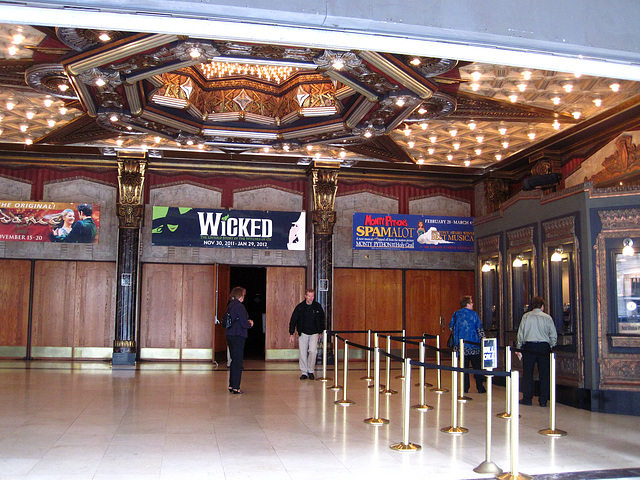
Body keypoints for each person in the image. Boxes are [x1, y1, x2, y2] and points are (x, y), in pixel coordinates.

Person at [516, 296, 557, 407]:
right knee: (544, 374)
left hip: (529, 347)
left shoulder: (526, 317)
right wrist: (551, 345)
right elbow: (553, 334)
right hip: (544, 347)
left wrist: (519, 346)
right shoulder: (547, 318)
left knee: (528, 374)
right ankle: (543, 400)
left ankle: (527, 398)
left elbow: (521, 333)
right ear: (542, 306)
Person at [449, 295, 486, 394]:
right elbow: (479, 329)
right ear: (468, 304)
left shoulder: (456, 314)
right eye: (471, 302)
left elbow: (451, 328)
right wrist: (484, 339)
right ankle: (480, 386)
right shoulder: (474, 315)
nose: (473, 304)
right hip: (474, 345)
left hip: (461, 346)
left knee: (464, 368)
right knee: (477, 367)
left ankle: (465, 388)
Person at [289, 288, 325, 380]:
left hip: (314, 333)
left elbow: (322, 319)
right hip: (303, 333)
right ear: (305, 296)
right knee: (303, 353)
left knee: (313, 351)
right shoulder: (300, 307)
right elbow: (293, 320)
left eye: (312, 296)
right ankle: (304, 372)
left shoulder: (317, 306)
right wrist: (291, 333)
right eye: (309, 296)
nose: (310, 298)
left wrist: (320, 331)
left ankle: (311, 370)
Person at [225, 286, 254, 394]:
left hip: (230, 334)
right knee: (238, 362)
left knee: (233, 360)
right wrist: (250, 323)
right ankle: (236, 387)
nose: (244, 297)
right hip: (238, 335)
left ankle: (231, 385)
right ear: (240, 295)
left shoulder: (230, 305)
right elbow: (243, 323)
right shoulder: (239, 306)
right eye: (243, 295)